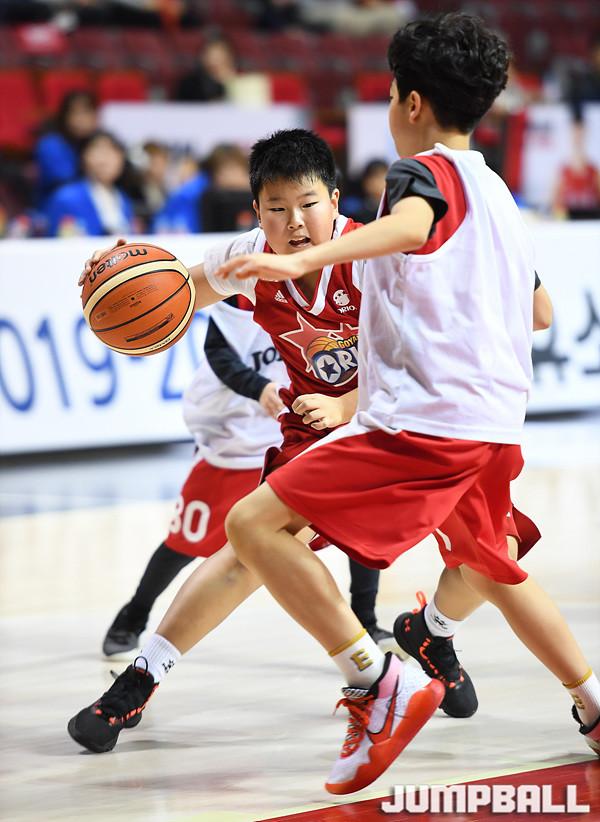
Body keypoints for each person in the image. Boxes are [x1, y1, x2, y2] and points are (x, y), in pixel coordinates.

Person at [206, 13, 600, 793]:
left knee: (252, 524)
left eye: (391, 93)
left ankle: (375, 681)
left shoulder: (419, 173)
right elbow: (541, 312)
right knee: (495, 569)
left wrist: (306, 259)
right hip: (494, 428)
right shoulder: (498, 194)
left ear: (411, 103)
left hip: (426, 426)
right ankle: (592, 705)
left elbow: (415, 225)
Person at [68, 129, 410, 757]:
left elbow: (418, 362)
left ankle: (423, 649)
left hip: (396, 421)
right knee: (249, 544)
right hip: (313, 433)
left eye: (307, 204)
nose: (294, 222)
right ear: (256, 212)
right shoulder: (250, 255)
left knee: (488, 562)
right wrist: (121, 279)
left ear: (336, 201)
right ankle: (141, 679)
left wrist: (346, 404)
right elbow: (180, 293)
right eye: (276, 208)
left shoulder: (372, 257)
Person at [102, 295, 287, 657]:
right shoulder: (242, 287)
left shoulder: (335, 284)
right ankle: (134, 615)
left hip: (291, 433)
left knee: (355, 523)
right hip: (232, 436)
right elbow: (219, 354)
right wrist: (259, 387)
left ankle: (365, 619)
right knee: (185, 542)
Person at [44, 130, 135, 237]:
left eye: (113, 152)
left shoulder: (124, 199)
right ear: (84, 156)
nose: (105, 160)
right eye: (99, 151)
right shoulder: (67, 198)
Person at [34, 90, 99, 207]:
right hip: (56, 206)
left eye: (86, 112)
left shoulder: (98, 142)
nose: (81, 119)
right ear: (64, 116)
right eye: (75, 113)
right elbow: (66, 182)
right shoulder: (50, 144)